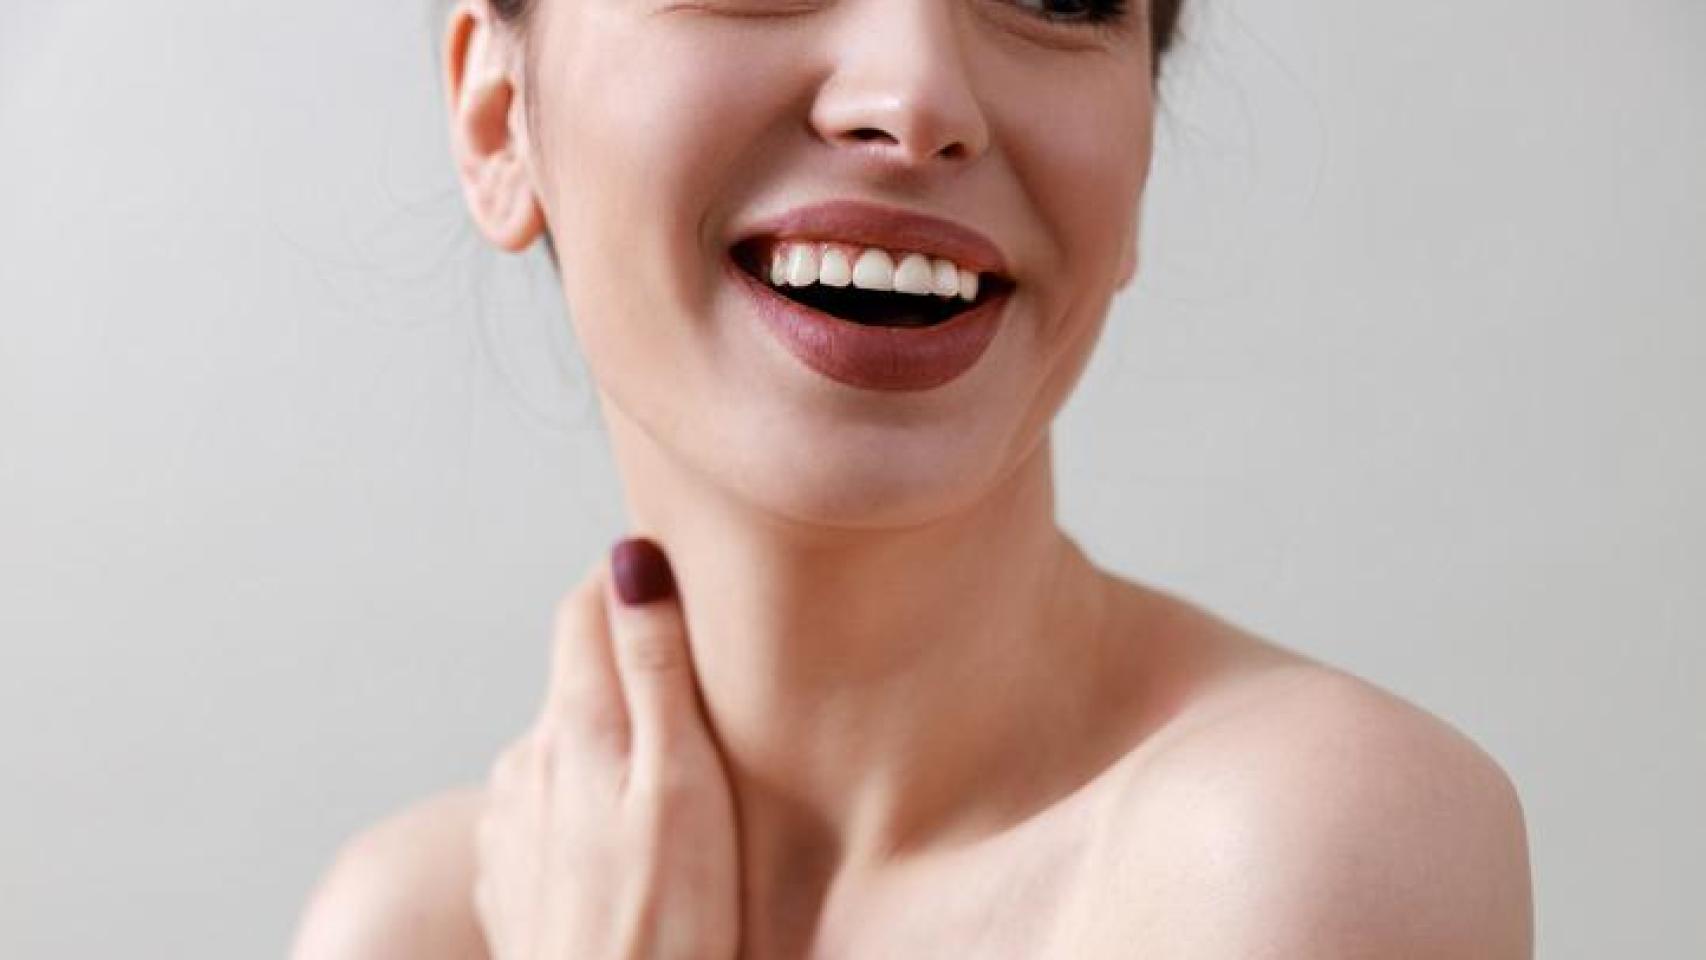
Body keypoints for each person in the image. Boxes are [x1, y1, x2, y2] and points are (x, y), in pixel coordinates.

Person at [290, 0, 1534, 955]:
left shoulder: (1302, 846)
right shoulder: (416, 926)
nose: (918, 95)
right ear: (497, 119)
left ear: (1137, 163)